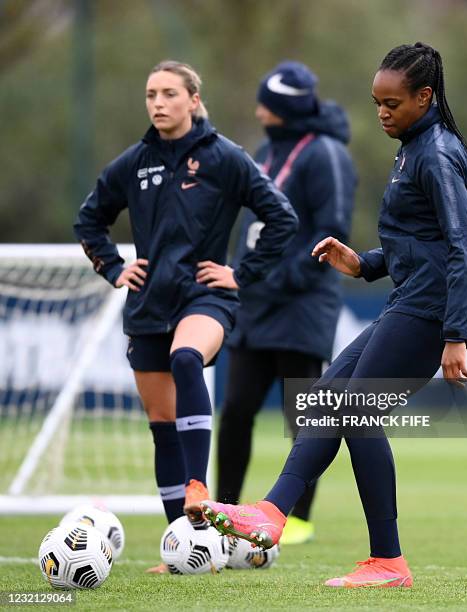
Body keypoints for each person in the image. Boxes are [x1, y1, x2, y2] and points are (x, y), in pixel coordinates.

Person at [201, 42, 467, 587]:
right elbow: (424, 241)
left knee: (355, 410)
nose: (382, 112)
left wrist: (459, 334)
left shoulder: (433, 152)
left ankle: (388, 560)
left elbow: (462, 247)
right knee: (327, 401)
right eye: (377, 102)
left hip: (430, 311)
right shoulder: (418, 145)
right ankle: (271, 513)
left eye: (392, 102)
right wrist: (363, 264)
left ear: (425, 97)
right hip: (412, 299)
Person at [73, 60, 298, 572]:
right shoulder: (133, 162)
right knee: (161, 426)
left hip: (205, 297)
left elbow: (281, 216)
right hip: (147, 303)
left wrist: (242, 272)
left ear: (193, 100)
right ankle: (183, 544)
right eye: (151, 93)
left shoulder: (225, 158)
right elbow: (89, 219)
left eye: (169, 93)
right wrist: (112, 267)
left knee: (187, 357)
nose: (158, 102)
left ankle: (200, 486)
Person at [214, 61, 358, 545]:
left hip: (302, 306)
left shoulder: (327, 154)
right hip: (256, 305)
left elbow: (332, 229)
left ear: (285, 108)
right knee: (235, 409)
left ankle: (297, 518)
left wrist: (281, 278)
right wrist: (242, 275)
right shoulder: (265, 150)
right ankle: (225, 508)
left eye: (267, 102)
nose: (258, 110)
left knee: (305, 416)